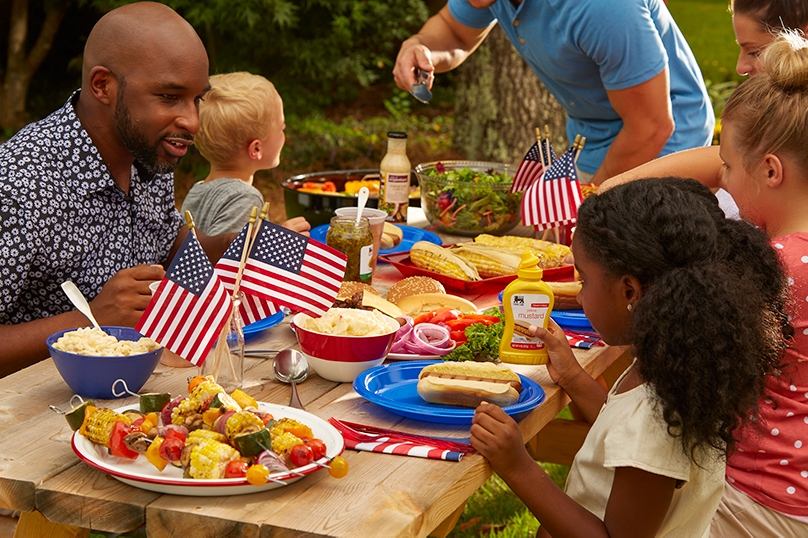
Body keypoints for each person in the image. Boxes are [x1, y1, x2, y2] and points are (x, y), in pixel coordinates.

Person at [470, 178, 790, 537]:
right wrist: (574, 377)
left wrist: (519, 467)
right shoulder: (668, 370)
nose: (579, 292)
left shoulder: (657, 418)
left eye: (584, 280)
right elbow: (621, 429)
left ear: (629, 291)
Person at [602, 31, 808, 537]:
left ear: (771, 170)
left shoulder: (778, 266)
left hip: (757, 497)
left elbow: (688, 351)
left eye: (728, 170)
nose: (723, 183)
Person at [1, 2, 212, 376]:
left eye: (196, 99)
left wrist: (245, 242)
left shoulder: (149, 147)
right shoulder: (19, 183)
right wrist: (89, 318)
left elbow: (168, 242)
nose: (192, 121)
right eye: (168, 96)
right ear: (103, 86)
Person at [392, 0, 715, 184]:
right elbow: (453, 32)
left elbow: (651, 127)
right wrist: (418, 46)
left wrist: (591, 200)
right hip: (596, 135)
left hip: (666, 140)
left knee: (613, 260)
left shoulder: (603, 7)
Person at [180, 72, 309, 236]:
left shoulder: (198, 192)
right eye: (281, 127)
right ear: (256, 149)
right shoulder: (243, 199)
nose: (285, 132)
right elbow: (232, 259)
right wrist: (280, 242)